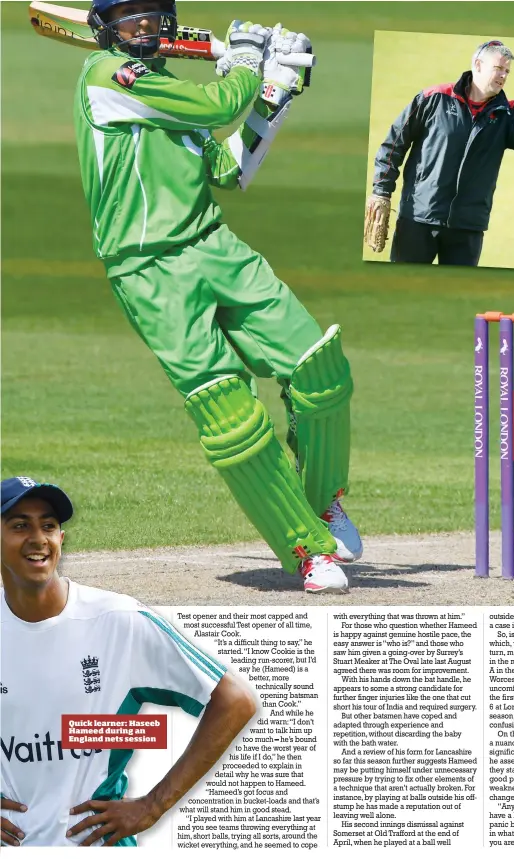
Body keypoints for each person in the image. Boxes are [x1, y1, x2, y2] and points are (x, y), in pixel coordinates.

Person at [74, 0, 362, 595]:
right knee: (231, 415)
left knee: (320, 368)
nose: (144, 27)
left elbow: (231, 169)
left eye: (153, 15)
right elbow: (220, 102)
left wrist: (276, 93)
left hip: (215, 245)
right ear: (106, 28)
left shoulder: (170, 91)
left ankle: (321, 504)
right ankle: (307, 550)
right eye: (129, 17)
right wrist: (250, 66)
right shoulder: (106, 78)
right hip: (149, 269)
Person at [0, 476, 257, 847]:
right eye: (20, 525)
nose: (38, 537)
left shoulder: (119, 620)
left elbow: (235, 702)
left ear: (61, 539)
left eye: (49, 525)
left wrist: (153, 806)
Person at [364, 39, 514, 266]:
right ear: (478, 65)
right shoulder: (434, 98)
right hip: (417, 219)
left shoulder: (507, 114)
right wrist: (381, 192)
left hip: (467, 228)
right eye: (498, 68)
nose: (503, 75)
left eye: (507, 71)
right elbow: (394, 144)